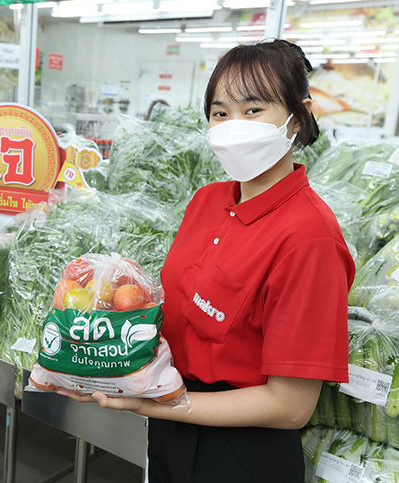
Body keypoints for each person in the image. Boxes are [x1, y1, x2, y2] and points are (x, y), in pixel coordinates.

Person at [61, 39, 355, 482]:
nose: (233, 124)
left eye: (253, 110)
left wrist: (162, 402)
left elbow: (290, 406)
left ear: (298, 117)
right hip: (171, 424)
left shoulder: (309, 237)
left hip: (242, 452)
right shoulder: (207, 200)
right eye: (220, 113)